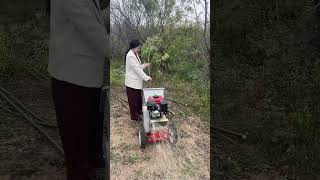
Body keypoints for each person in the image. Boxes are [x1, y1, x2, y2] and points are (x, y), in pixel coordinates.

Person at [48, 0, 109, 179]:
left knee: (90, 136)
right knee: (77, 142)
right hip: (71, 79)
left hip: (87, 76)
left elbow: (93, 18)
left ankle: (91, 167)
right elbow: (94, 31)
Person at [125, 39, 152, 121]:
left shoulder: (135, 54)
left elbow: (138, 66)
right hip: (132, 83)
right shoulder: (130, 56)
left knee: (138, 99)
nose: (139, 50)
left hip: (136, 82)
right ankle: (135, 117)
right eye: (138, 48)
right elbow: (137, 70)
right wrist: (147, 77)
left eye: (139, 48)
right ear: (133, 48)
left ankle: (139, 112)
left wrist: (144, 65)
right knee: (133, 101)